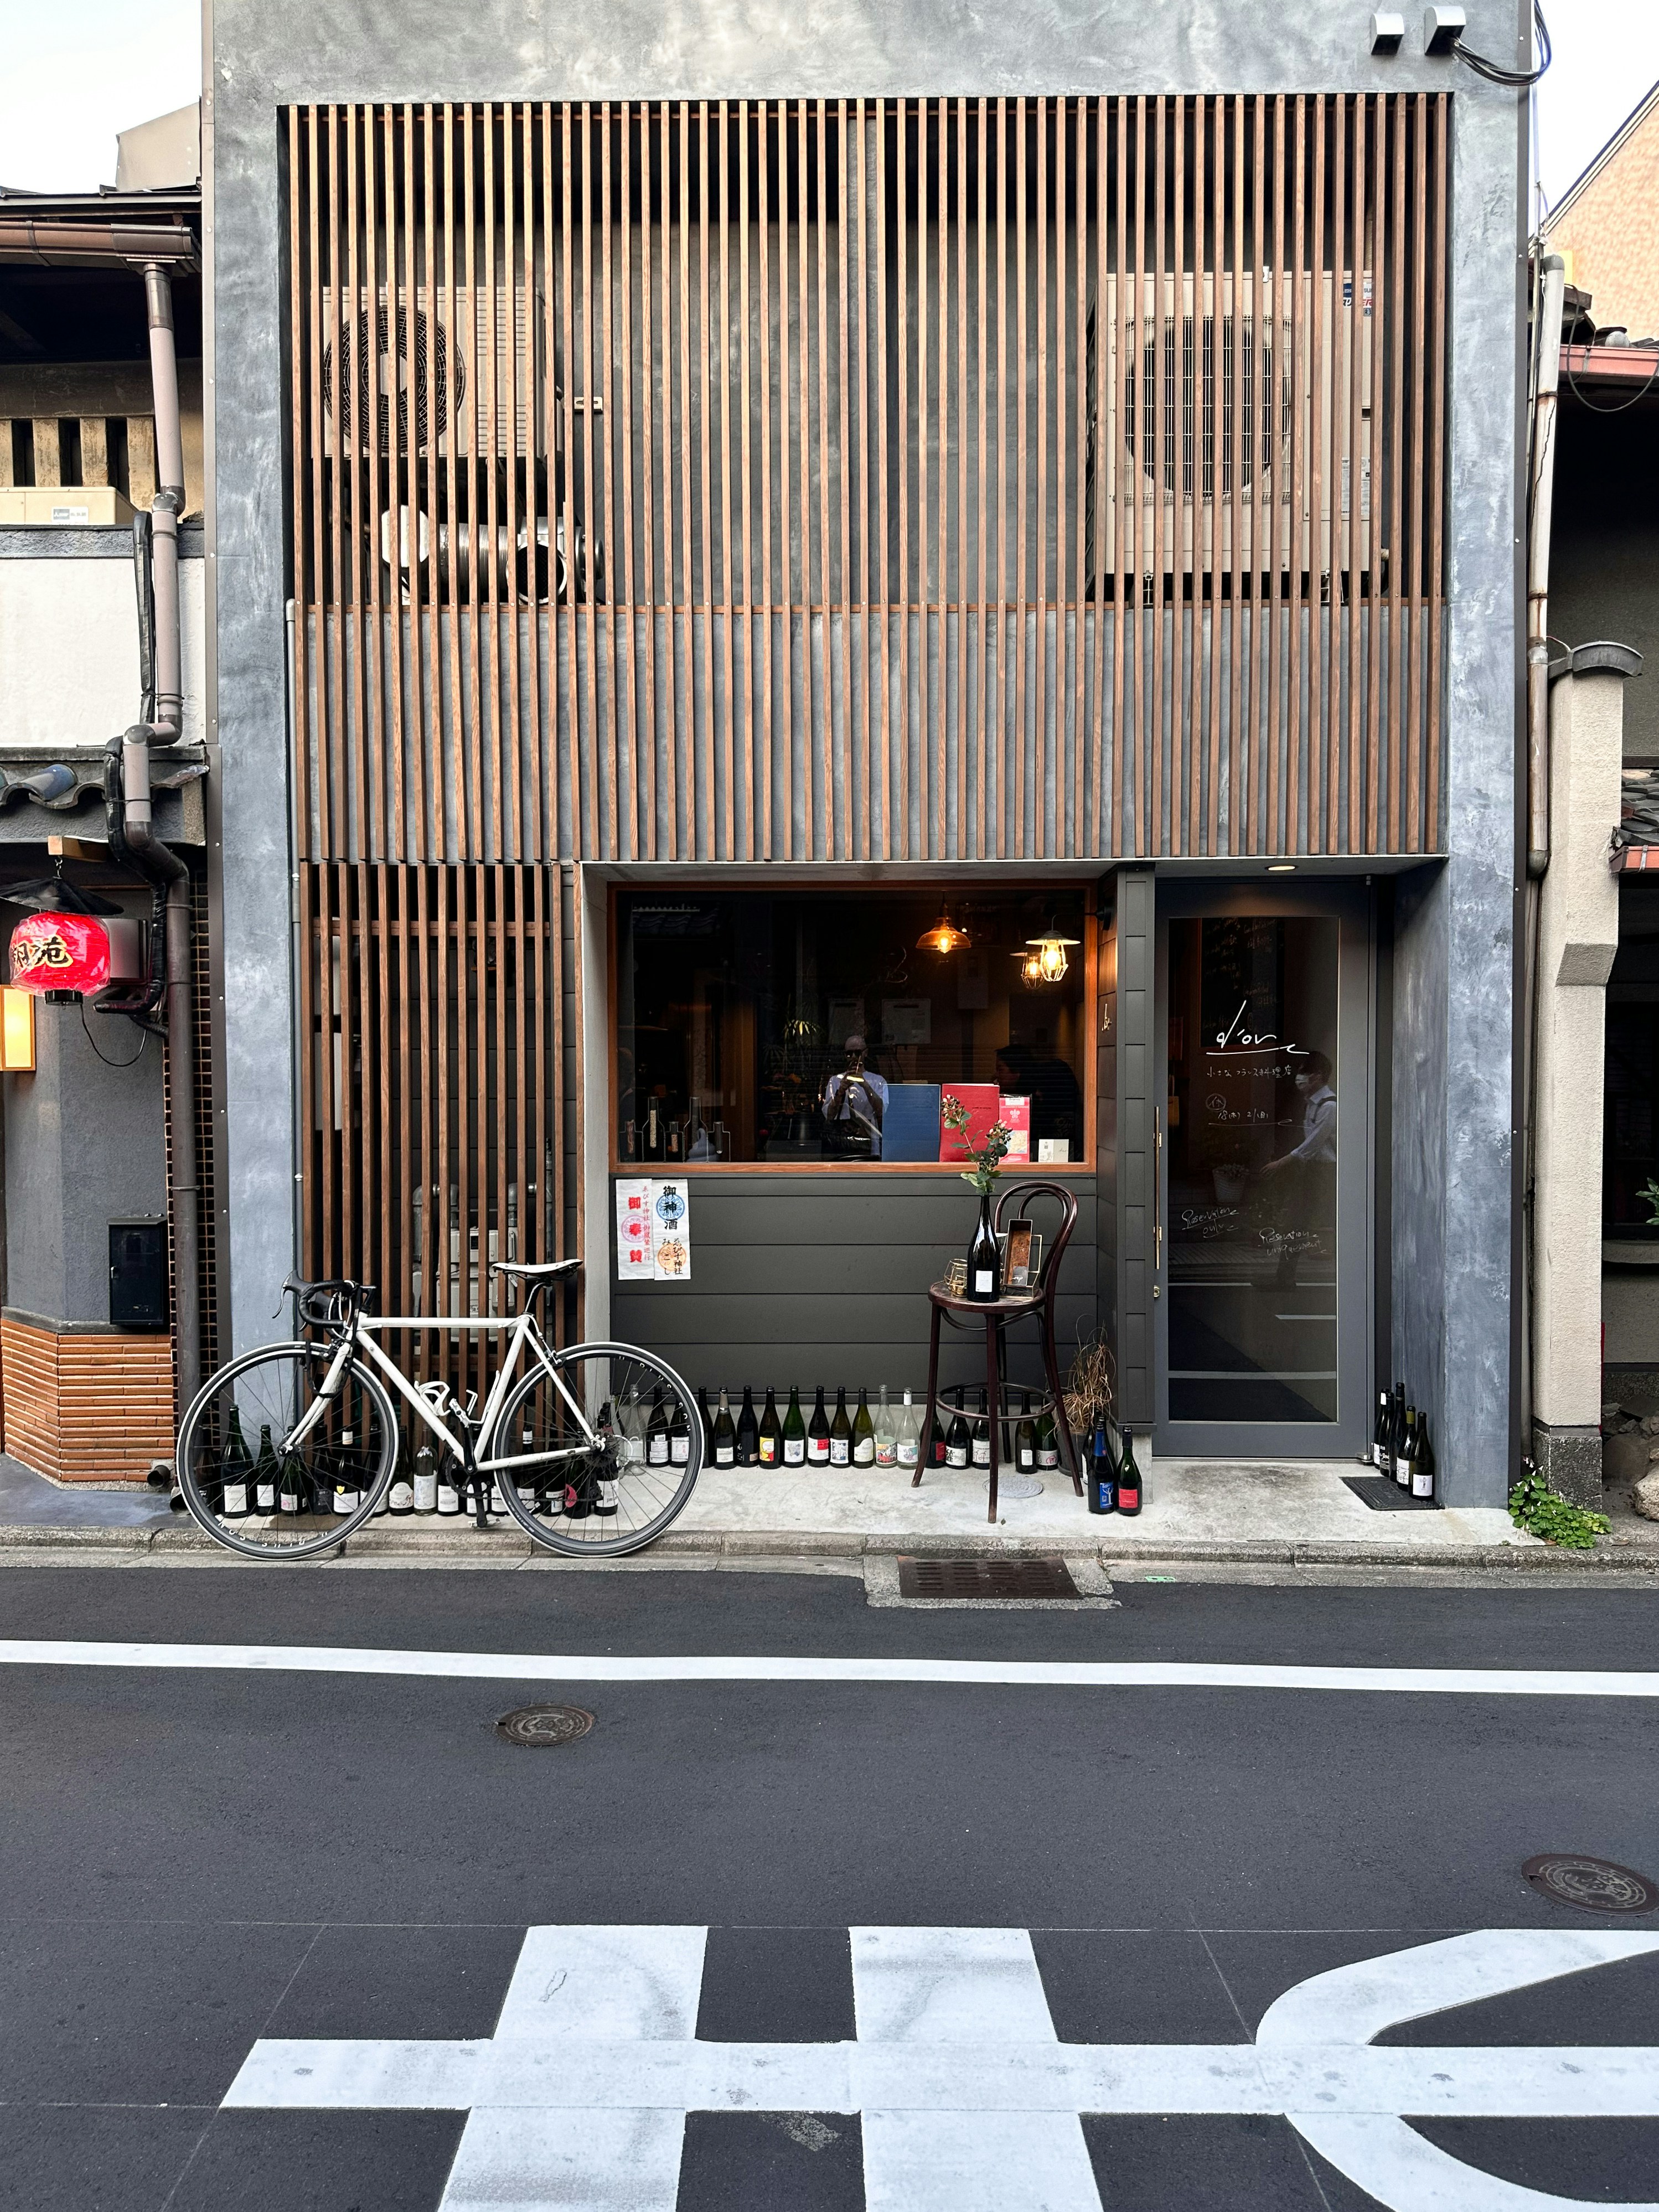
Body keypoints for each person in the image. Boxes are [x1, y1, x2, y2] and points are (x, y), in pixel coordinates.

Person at [1257, 1050, 1336, 1285]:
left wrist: (1280, 1164)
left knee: (1304, 1222)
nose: (1299, 1078)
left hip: (1326, 1172)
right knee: (1296, 1223)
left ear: (1318, 1076)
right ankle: (1284, 1278)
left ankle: (1286, 1279)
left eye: (1303, 1073)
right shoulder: (1312, 1104)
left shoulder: (1329, 1106)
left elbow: (1312, 1145)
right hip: (1313, 1170)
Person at [820, 1033, 889, 1160]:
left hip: (868, 1140)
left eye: (857, 1053)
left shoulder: (878, 1081)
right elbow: (829, 1115)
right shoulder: (835, 1081)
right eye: (849, 1054)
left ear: (865, 1053)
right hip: (842, 1143)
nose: (853, 1057)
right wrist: (840, 1092)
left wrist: (865, 1085)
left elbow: (882, 1111)